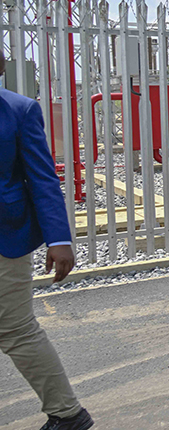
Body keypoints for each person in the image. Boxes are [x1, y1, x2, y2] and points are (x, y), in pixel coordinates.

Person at [0, 52, 95, 429]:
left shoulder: (19, 111)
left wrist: (58, 238)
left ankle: (67, 414)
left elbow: (41, 178)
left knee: (16, 329)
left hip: (5, 238)